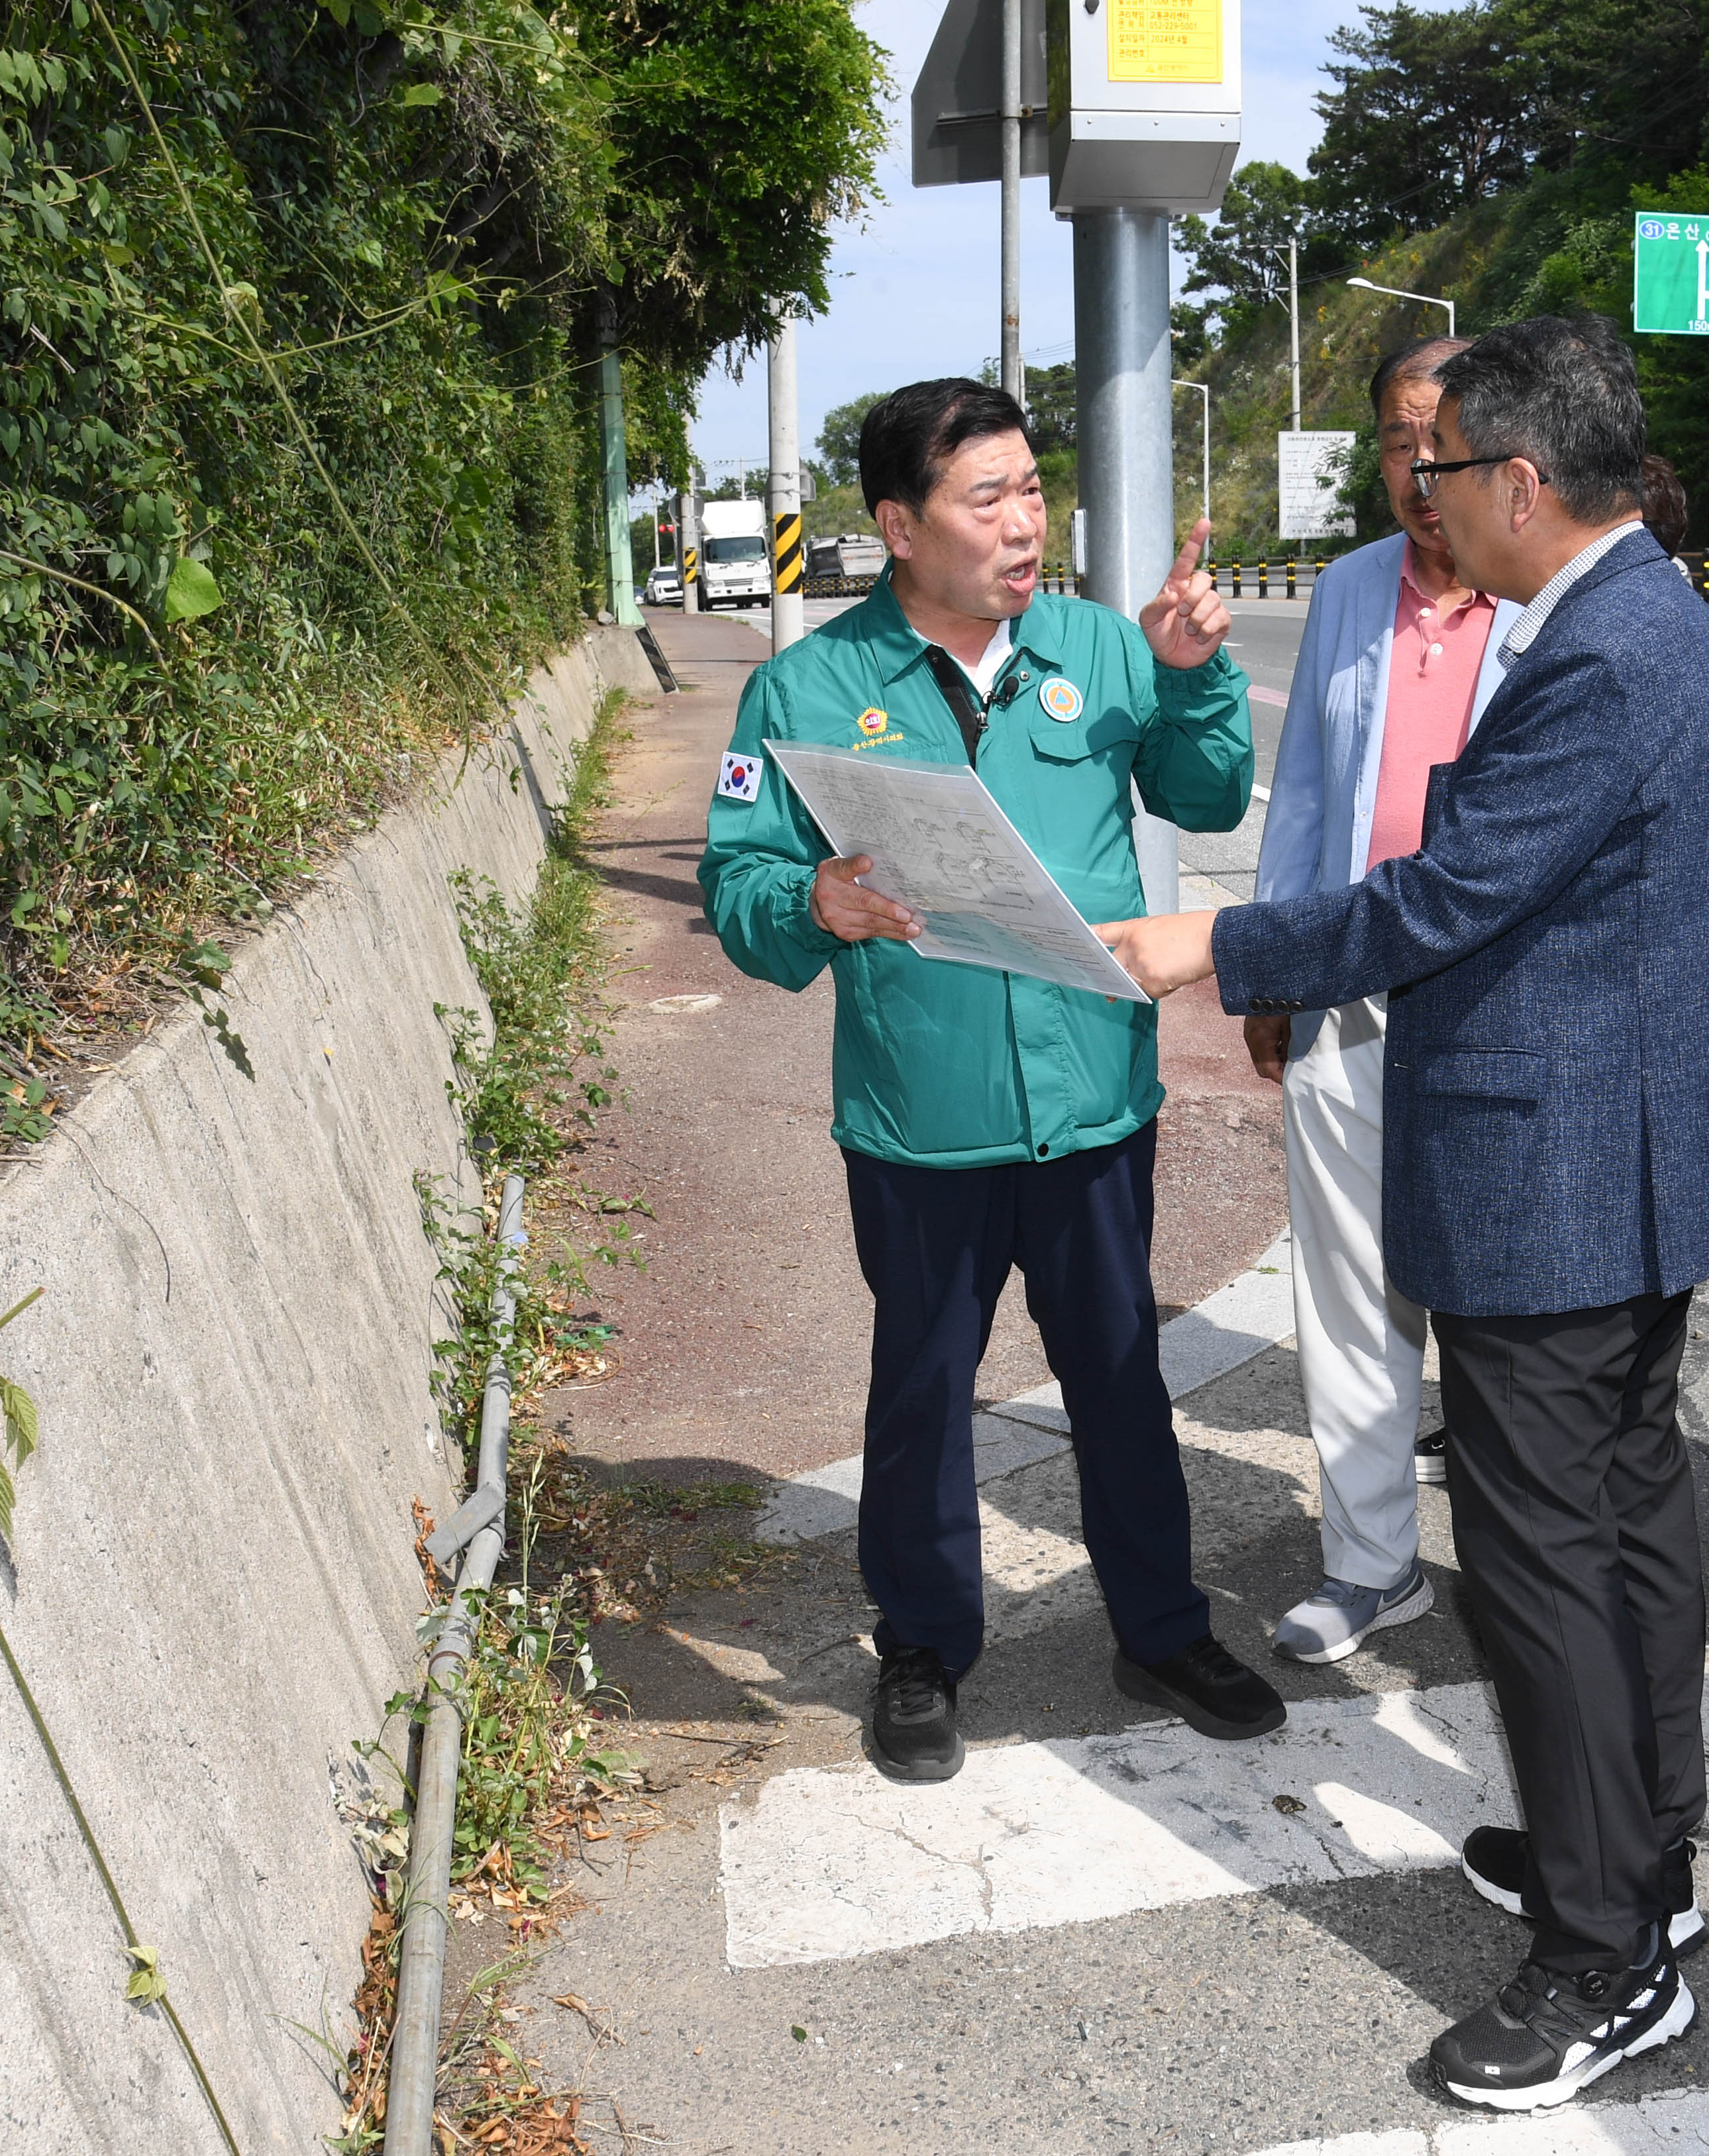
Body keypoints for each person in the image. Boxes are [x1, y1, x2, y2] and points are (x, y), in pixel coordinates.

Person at [1097, 315, 1709, 2112]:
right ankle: (1638, 1860)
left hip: (1555, 1170)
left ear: (1521, 479)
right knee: (1622, 1532)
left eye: (1444, 467)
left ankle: (1603, 1957)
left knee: (1546, 1567)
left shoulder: (1602, 655)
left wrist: (1206, 939)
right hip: (1609, 1158)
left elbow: (1447, 890)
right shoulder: (1642, 617)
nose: (1424, 499)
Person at [696, 378, 1280, 1786]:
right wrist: (812, 904)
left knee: (1122, 1375)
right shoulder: (810, 687)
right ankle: (922, 1642)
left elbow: (1205, 798)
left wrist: (1197, 670)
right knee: (921, 1386)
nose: (1025, 524)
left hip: (1091, 1100)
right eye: (988, 499)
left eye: (1033, 491)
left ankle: (1161, 1623)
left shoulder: (1094, 645)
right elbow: (739, 883)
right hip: (923, 1120)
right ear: (899, 525)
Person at [1246, 336, 1522, 1665]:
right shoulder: (1353, 587)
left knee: (1497, 1298)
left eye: (1446, 437)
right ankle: (1370, 1564)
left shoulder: (1551, 593)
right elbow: (1306, 785)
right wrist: (1276, 957)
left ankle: (1524, 1570)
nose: (1422, 468)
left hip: (1500, 1001)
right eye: (1400, 441)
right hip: (1353, 990)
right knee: (1351, 1292)